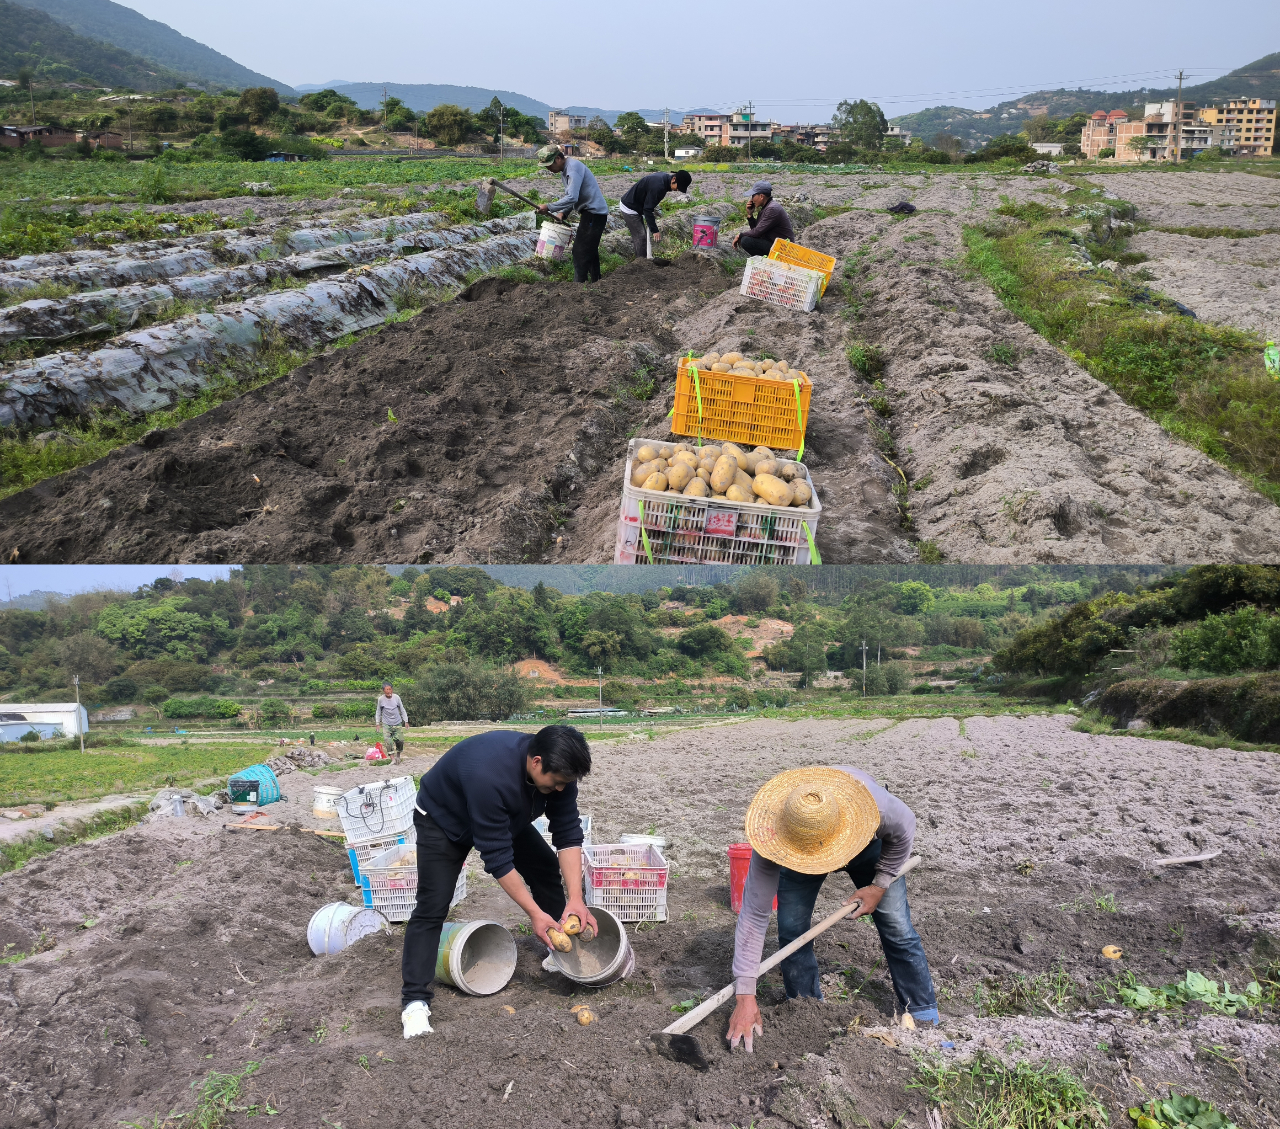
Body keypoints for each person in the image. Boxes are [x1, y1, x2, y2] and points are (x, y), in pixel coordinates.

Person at [401, 725, 596, 1038]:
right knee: (433, 904)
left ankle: (559, 951)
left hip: (503, 816)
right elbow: (497, 857)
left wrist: (576, 898)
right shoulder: (489, 774)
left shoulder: (561, 775)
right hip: (444, 819)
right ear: (536, 762)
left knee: (545, 867)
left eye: (566, 783)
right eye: (556, 782)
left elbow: (568, 834)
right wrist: (533, 913)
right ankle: (414, 1002)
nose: (561, 789)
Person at [727, 765, 937, 1053]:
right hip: (797, 847)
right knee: (791, 929)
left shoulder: (877, 809)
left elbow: (906, 827)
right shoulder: (774, 835)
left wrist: (880, 884)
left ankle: (923, 1011)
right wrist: (745, 996)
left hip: (867, 844)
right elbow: (753, 914)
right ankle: (805, 1010)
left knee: (897, 927)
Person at [535, 145, 610, 284]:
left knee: (580, 252)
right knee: (590, 250)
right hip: (592, 213)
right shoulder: (567, 169)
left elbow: (572, 198)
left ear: (558, 158)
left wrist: (549, 207)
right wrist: (563, 213)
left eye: (549, 165)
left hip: (593, 213)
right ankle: (597, 282)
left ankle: (578, 287)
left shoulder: (572, 169)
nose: (548, 169)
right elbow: (572, 195)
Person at [619, 168, 693, 259]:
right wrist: (655, 231)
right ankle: (640, 264)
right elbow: (648, 209)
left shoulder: (664, 179)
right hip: (629, 207)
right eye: (678, 187)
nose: (677, 190)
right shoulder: (659, 187)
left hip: (638, 205)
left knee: (642, 236)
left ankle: (643, 259)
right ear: (674, 179)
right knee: (640, 236)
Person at [732, 181, 794, 257]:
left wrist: (740, 235)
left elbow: (757, 232)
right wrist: (750, 215)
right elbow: (757, 231)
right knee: (746, 239)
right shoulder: (767, 208)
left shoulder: (772, 209)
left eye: (753, 196)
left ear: (761, 196)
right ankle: (768, 261)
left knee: (746, 241)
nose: (751, 200)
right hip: (776, 245)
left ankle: (771, 261)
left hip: (784, 249)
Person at [374, 681, 408, 765]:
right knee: (387, 741)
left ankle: (398, 755)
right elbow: (378, 711)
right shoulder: (381, 699)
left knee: (400, 740)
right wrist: (377, 723)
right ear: (383, 691)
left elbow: (402, 709)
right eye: (387, 689)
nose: (389, 691)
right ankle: (392, 759)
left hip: (397, 722)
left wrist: (406, 721)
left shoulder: (396, 697)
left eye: (390, 689)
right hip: (386, 723)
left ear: (392, 690)